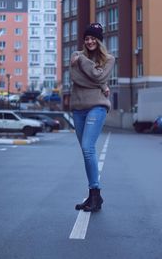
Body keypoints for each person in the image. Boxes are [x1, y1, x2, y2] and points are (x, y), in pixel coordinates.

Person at [70, 23, 115, 212]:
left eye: (93, 38)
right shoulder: (76, 57)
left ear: (99, 40)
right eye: (86, 38)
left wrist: (83, 63)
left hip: (97, 106)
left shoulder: (109, 59)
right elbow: (76, 78)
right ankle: (93, 196)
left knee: (88, 148)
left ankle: (95, 194)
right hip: (78, 108)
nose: (89, 41)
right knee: (85, 151)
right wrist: (100, 83)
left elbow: (99, 76)